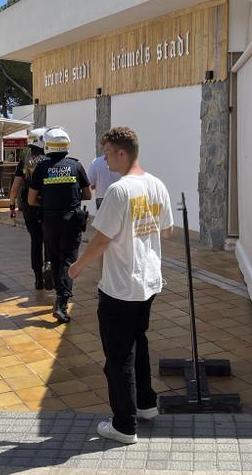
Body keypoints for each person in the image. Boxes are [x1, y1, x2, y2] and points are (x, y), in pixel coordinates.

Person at [68, 127, 173, 445]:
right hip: (149, 281)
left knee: (118, 356)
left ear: (122, 153)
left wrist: (77, 266)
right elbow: (166, 231)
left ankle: (124, 425)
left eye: (108, 152)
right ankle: (145, 404)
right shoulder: (157, 184)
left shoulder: (119, 191)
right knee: (137, 342)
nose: (104, 159)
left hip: (121, 285)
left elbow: (103, 238)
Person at [28, 127, 92, 323]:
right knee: (68, 260)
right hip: (72, 220)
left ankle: (57, 290)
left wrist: (47, 203)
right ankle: (61, 303)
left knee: (55, 258)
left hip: (49, 221)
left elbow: (31, 200)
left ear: (47, 146)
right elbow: (87, 194)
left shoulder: (41, 168)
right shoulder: (76, 166)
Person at [9, 127, 51, 290]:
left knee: (35, 240)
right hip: (45, 205)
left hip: (28, 207)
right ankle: (48, 266)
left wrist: (12, 206)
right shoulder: (48, 159)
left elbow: (15, 187)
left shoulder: (24, 160)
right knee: (48, 239)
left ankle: (38, 279)